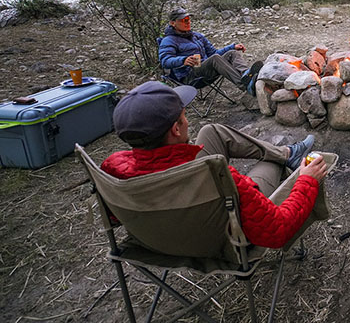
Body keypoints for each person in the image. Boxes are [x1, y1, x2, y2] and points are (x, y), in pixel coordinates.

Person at [102, 81, 330, 248]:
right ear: (176, 129)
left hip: (156, 238)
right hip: (221, 240)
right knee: (272, 164)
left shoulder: (112, 171)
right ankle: (286, 158)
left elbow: (114, 218)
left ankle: (286, 152)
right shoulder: (213, 175)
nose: (187, 120)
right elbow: (276, 231)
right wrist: (306, 180)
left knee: (210, 132)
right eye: (184, 116)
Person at [158, 7, 262, 96]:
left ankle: (247, 76)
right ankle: (245, 85)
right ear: (173, 23)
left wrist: (232, 47)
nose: (188, 22)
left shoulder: (196, 36)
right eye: (184, 20)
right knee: (215, 59)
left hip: (205, 69)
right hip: (189, 76)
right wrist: (183, 60)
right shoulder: (168, 40)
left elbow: (213, 52)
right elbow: (164, 61)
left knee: (232, 53)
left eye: (188, 19)